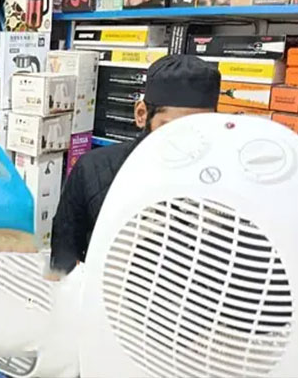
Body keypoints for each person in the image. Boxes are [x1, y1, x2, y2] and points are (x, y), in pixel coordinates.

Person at [49, 55, 221, 275]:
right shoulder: (93, 169)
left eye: (200, 128)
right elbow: (63, 256)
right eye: (172, 129)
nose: (186, 143)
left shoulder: (223, 183)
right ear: (141, 114)